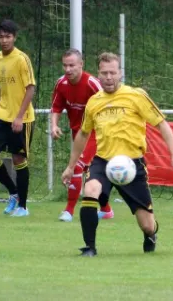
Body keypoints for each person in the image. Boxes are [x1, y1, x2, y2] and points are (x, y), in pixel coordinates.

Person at [61, 52, 173, 257]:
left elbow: (161, 123)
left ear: (120, 73)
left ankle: (151, 234)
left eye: (112, 72)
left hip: (132, 165)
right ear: (98, 75)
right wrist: (70, 166)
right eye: (104, 73)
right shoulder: (94, 102)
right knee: (90, 189)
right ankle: (89, 247)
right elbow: (83, 135)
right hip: (103, 162)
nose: (108, 77)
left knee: (147, 225)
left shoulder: (136, 96)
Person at [51, 49, 114, 222]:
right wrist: (54, 125)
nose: (68, 69)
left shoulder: (92, 83)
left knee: (77, 167)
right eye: (65, 65)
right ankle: (106, 209)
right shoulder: (61, 84)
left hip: (96, 133)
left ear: (81, 64)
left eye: (72, 65)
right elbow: (56, 107)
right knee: (90, 172)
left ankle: (69, 211)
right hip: (77, 134)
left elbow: (109, 105)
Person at [0, 19, 36, 217]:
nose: (4, 40)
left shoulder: (22, 59)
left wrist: (19, 117)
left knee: (18, 159)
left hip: (23, 118)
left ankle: (23, 206)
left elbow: (30, 89)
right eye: (1, 36)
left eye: (8, 36)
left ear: (14, 37)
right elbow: (1, 87)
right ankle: (13, 192)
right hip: (3, 116)